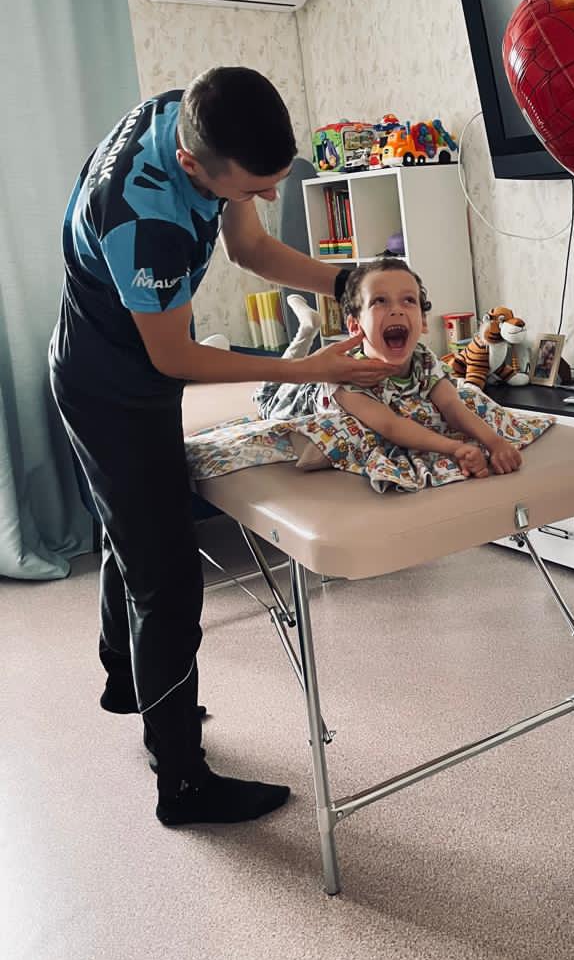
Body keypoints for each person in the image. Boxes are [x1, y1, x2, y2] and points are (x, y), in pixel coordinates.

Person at [49, 67, 392, 827]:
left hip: (123, 356)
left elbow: (250, 249)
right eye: (254, 188)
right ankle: (182, 784)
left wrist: (352, 283)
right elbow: (174, 357)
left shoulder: (196, 113)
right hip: (110, 384)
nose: (267, 197)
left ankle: (128, 682)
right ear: (192, 166)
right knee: (167, 582)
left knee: (133, 532)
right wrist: (306, 369)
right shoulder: (147, 224)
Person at [254, 259, 527, 483]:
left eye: (408, 300)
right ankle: (306, 329)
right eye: (380, 301)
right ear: (355, 326)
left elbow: (452, 406)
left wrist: (495, 443)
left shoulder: (422, 357)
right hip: (294, 393)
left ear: (422, 322)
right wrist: (455, 448)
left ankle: (308, 329)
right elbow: (390, 426)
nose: (396, 310)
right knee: (272, 389)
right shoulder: (347, 373)